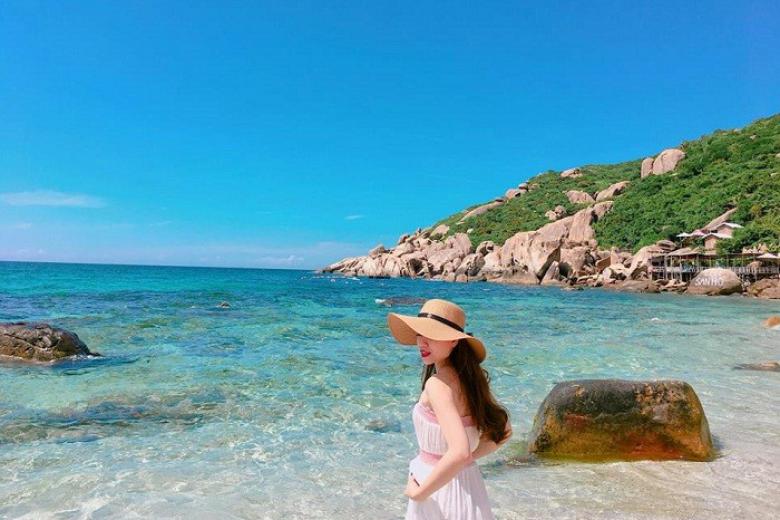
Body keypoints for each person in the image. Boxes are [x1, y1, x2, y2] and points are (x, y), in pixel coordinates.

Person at [387, 299, 512, 520]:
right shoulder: (471, 381)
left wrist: (419, 493)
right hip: (469, 487)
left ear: (454, 340)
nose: (422, 341)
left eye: (432, 334)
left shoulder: (437, 385)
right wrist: (468, 459)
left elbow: (459, 452)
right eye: (419, 333)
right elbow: (503, 431)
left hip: (437, 492)